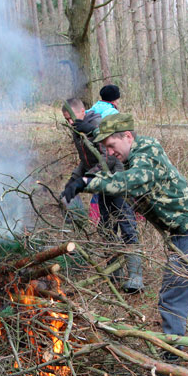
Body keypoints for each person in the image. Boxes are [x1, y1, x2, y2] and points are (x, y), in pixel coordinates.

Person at [66, 113, 188, 363]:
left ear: (128, 136)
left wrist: (86, 183)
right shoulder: (131, 156)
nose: (110, 153)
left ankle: (172, 356)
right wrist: (89, 138)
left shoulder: (147, 152)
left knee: (174, 290)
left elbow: (131, 182)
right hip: (184, 230)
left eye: (111, 146)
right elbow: (106, 161)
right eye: (106, 148)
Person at [60, 98, 143, 293]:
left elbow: (108, 158)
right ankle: (114, 273)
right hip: (101, 184)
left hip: (117, 180)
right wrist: (74, 179)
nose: (70, 122)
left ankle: (135, 276)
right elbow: (86, 160)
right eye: (66, 120)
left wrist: (86, 180)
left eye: (71, 118)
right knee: (106, 227)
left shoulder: (97, 125)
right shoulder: (77, 131)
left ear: (82, 111)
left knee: (126, 223)